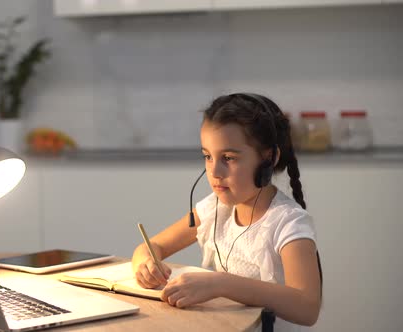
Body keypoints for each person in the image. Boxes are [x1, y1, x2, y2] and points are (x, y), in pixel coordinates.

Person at [131, 93, 322, 330]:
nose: (215, 171)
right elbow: (151, 246)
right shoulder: (213, 209)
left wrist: (219, 284)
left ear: (268, 159)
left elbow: (307, 307)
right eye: (208, 157)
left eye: (228, 158)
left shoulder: (288, 222)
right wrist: (146, 263)